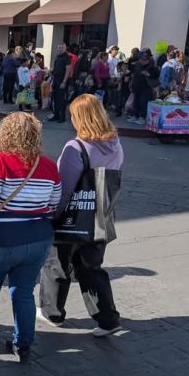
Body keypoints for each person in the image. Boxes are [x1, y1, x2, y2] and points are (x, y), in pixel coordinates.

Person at [0, 112, 61, 363]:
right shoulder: (48, 165)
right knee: (24, 291)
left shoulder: (0, 161)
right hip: (38, 238)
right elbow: (53, 204)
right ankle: (23, 343)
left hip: (1, 238)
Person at [38, 94, 123, 338]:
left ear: (81, 118)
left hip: (73, 218)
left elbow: (64, 190)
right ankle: (107, 319)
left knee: (57, 264)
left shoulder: (75, 148)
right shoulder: (116, 144)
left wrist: (52, 216)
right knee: (92, 267)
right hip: (102, 214)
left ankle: (52, 311)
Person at [127, 49, 158, 125]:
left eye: (144, 59)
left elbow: (156, 75)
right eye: (141, 59)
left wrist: (148, 74)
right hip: (137, 86)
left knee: (143, 102)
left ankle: (142, 117)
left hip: (146, 87)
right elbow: (134, 75)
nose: (142, 61)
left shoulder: (152, 66)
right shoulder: (137, 65)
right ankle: (135, 116)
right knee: (136, 102)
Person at [50, 43, 72, 123]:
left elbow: (68, 70)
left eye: (62, 48)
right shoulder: (57, 57)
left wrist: (64, 81)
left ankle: (62, 117)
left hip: (62, 79)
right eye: (59, 47)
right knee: (55, 98)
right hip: (55, 79)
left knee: (61, 99)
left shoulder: (67, 57)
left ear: (65, 48)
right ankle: (56, 115)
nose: (60, 49)